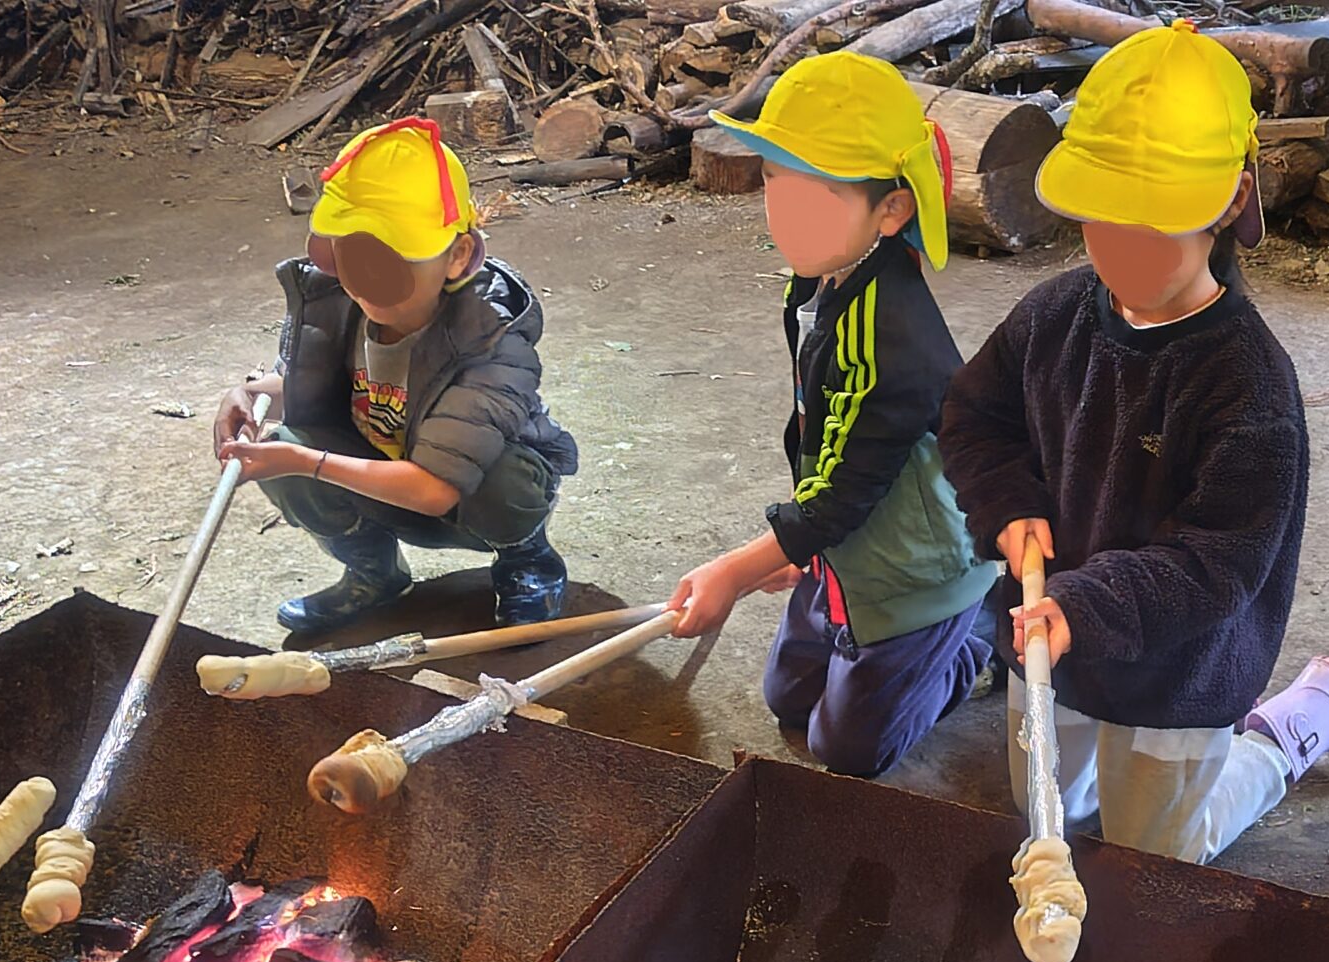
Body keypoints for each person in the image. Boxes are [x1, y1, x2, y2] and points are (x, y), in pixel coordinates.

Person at [942, 22, 1329, 866]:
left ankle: (1298, 724)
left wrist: (1087, 607)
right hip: (1057, 634)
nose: (1121, 248)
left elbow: (1220, 564)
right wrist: (1008, 507)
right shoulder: (1054, 316)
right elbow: (976, 416)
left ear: (1230, 200)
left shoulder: (1249, 386)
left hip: (1176, 668)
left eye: (1156, 222)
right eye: (1104, 219)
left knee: (1161, 852)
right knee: (1047, 809)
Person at [663, 53, 995, 779]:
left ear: (892, 208)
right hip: (850, 541)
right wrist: (794, 548)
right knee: (788, 698)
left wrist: (747, 563)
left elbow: (845, 489)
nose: (785, 208)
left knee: (845, 752)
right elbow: (827, 439)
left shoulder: (895, 338)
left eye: (818, 190)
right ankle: (888, 614)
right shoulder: (820, 282)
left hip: (915, 568)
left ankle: (974, 641)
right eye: (776, 179)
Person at [211, 117, 580, 632]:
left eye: (390, 258)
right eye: (353, 252)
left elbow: (436, 489)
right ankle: (373, 572)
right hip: (384, 479)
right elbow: (318, 393)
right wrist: (247, 394)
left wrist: (305, 460)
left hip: (462, 498)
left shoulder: (492, 340)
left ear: (457, 256)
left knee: (504, 477)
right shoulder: (339, 304)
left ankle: (527, 559)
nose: (365, 277)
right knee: (288, 442)